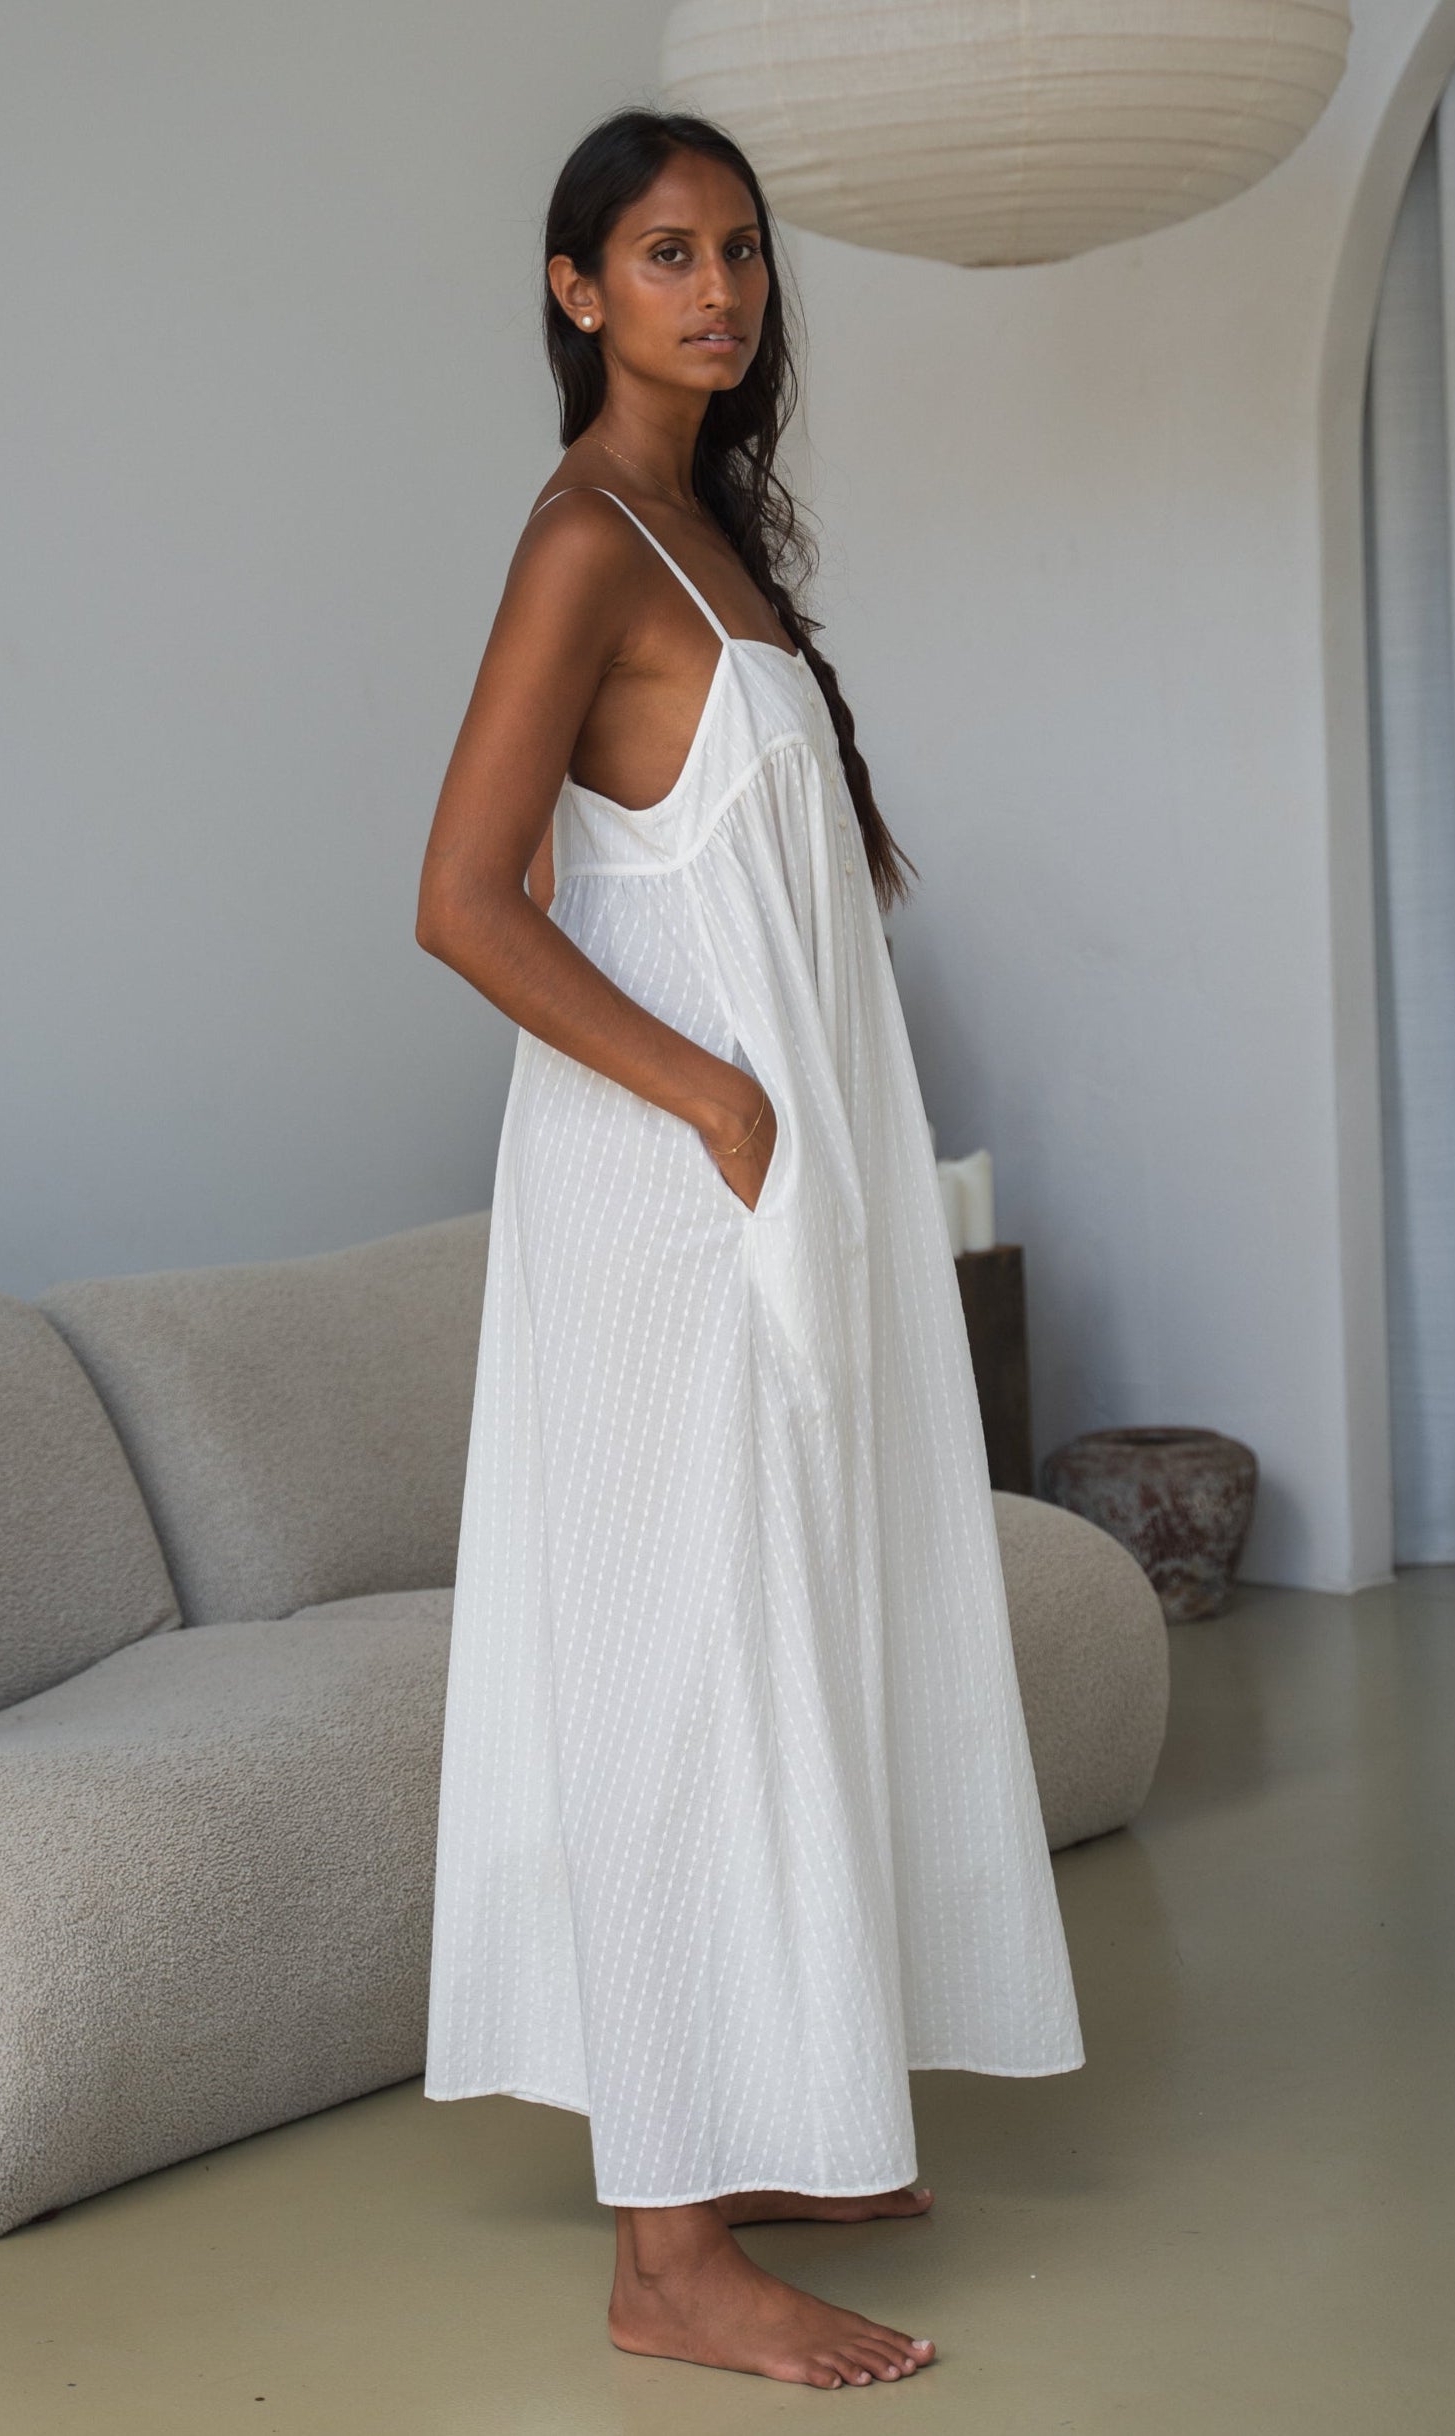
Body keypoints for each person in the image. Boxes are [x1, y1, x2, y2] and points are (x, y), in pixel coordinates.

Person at [414, 104, 1084, 2391]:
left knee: (791, 1621)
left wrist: (777, 1118)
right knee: (685, 1661)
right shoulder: (579, 541)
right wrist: (711, 1096)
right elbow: (460, 899)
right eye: (665, 253)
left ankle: (758, 2117)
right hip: (664, 1204)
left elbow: (667, 873)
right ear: (574, 287)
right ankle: (664, 2258)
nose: (717, 290)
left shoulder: (699, 527)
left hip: (755, 1190)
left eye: (741, 252)